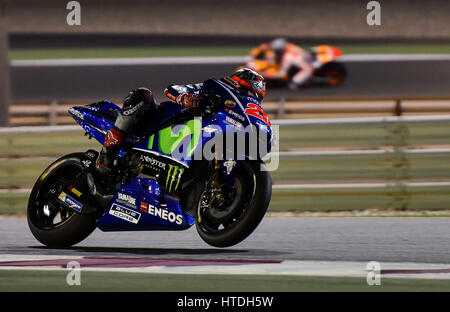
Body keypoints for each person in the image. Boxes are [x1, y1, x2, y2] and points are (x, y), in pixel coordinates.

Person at [95, 68, 266, 174]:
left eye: (255, 97)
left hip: (189, 141)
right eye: (247, 91)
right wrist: (186, 98)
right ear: (236, 83)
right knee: (144, 95)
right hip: (160, 123)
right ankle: (108, 153)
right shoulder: (214, 89)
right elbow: (172, 89)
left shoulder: (231, 116)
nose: (250, 98)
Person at [247, 37, 314, 90]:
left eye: (276, 51)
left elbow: (282, 75)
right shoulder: (288, 46)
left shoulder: (287, 58)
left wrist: (263, 74)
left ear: (280, 50)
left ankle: (297, 83)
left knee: (292, 84)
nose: (275, 53)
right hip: (303, 61)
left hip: (306, 69)